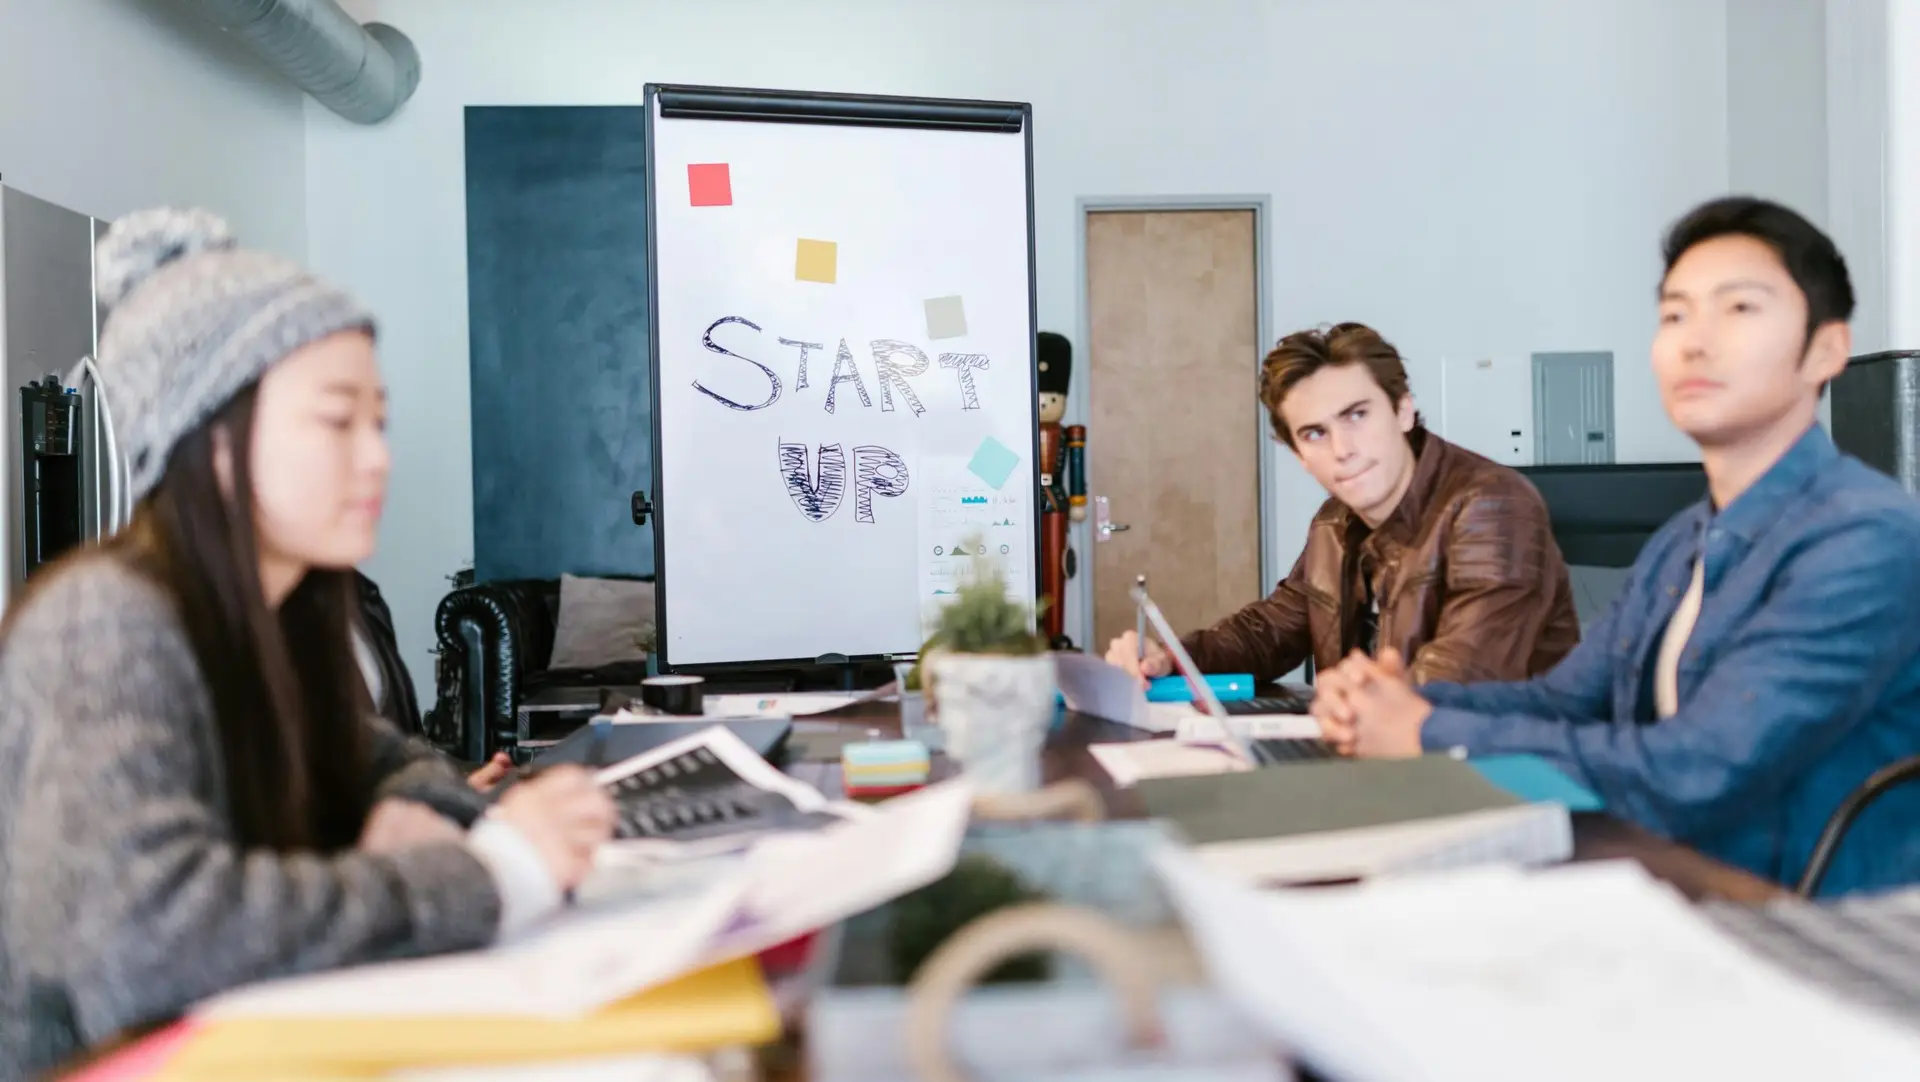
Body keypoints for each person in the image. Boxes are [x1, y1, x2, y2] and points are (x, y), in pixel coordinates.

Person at [0, 208, 617, 1078]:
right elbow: (148, 946)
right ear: (211, 441)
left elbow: (388, 764)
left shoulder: (281, 617)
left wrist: (440, 819)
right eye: (337, 422)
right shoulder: (104, 625)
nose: (377, 460)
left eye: (380, 422)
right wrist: (494, 874)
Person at [1312, 196, 1920, 898]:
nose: (1695, 340)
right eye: (1675, 314)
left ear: (1827, 348)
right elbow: (1565, 702)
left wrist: (1426, 729)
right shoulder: (1685, 541)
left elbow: (1696, 769)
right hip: (1661, 880)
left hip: (1803, 929)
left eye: (1740, 309)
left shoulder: (1864, 538)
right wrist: (1400, 703)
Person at [1105, 322, 1580, 689]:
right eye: (1315, 433)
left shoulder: (1493, 508)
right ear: (1298, 454)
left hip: (1503, 780)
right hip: (1392, 768)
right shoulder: (1336, 521)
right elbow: (1269, 632)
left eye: (1356, 415)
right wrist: (1170, 658)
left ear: (1403, 409)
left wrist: (1342, 711)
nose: (1342, 449)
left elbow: (1460, 682)